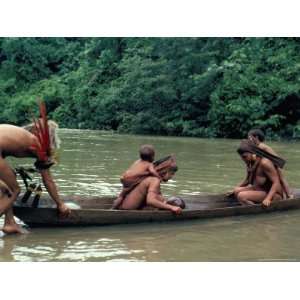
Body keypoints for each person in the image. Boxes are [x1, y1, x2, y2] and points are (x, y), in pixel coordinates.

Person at [0, 102, 70, 234]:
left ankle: (10, 223)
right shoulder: (39, 145)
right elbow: (47, 179)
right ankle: (9, 223)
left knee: (8, 185)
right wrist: (60, 203)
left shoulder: (20, 134)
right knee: (14, 190)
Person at [117, 155, 182, 214]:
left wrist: (164, 203)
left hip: (124, 206)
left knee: (160, 198)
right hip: (126, 210)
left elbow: (158, 197)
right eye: (171, 174)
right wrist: (171, 207)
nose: (172, 177)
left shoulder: (149, 177)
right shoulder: (154, 180)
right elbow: (150, 201)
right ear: (164, 171)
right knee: (159, 200)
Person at [233, 139, 285, 206]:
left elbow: (276, 182)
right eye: (242, 158)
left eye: (245, 157)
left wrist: (268, 199)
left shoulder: (264, 163)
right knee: (236, 191)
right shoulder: (250, 163)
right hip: (260, 190)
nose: (244, 160)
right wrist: (235, 189)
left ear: (252, 153)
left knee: (241, 196)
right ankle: (252, 205)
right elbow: (247, 181)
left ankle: (256, 211)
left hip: (273, 195)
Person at [112, 144, 161, 209]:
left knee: (122, 195)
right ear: (152, 157)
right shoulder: (149, 164)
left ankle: (113, 208)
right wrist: (158, 177)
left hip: (124, 177)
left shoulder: (137, 161)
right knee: (139, 183)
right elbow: (152, 172)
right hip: (132, 180)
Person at [248, 128, 292, 198]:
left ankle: (289, 195)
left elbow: (258, 159)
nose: (249, 139)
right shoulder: (258, 146)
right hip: (273, 162)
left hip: (276, 163)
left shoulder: (261, 146)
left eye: (250, 137)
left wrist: (253, 167)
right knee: (281, 179)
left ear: (256, 137)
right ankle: (286, 194)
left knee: (282, 179)